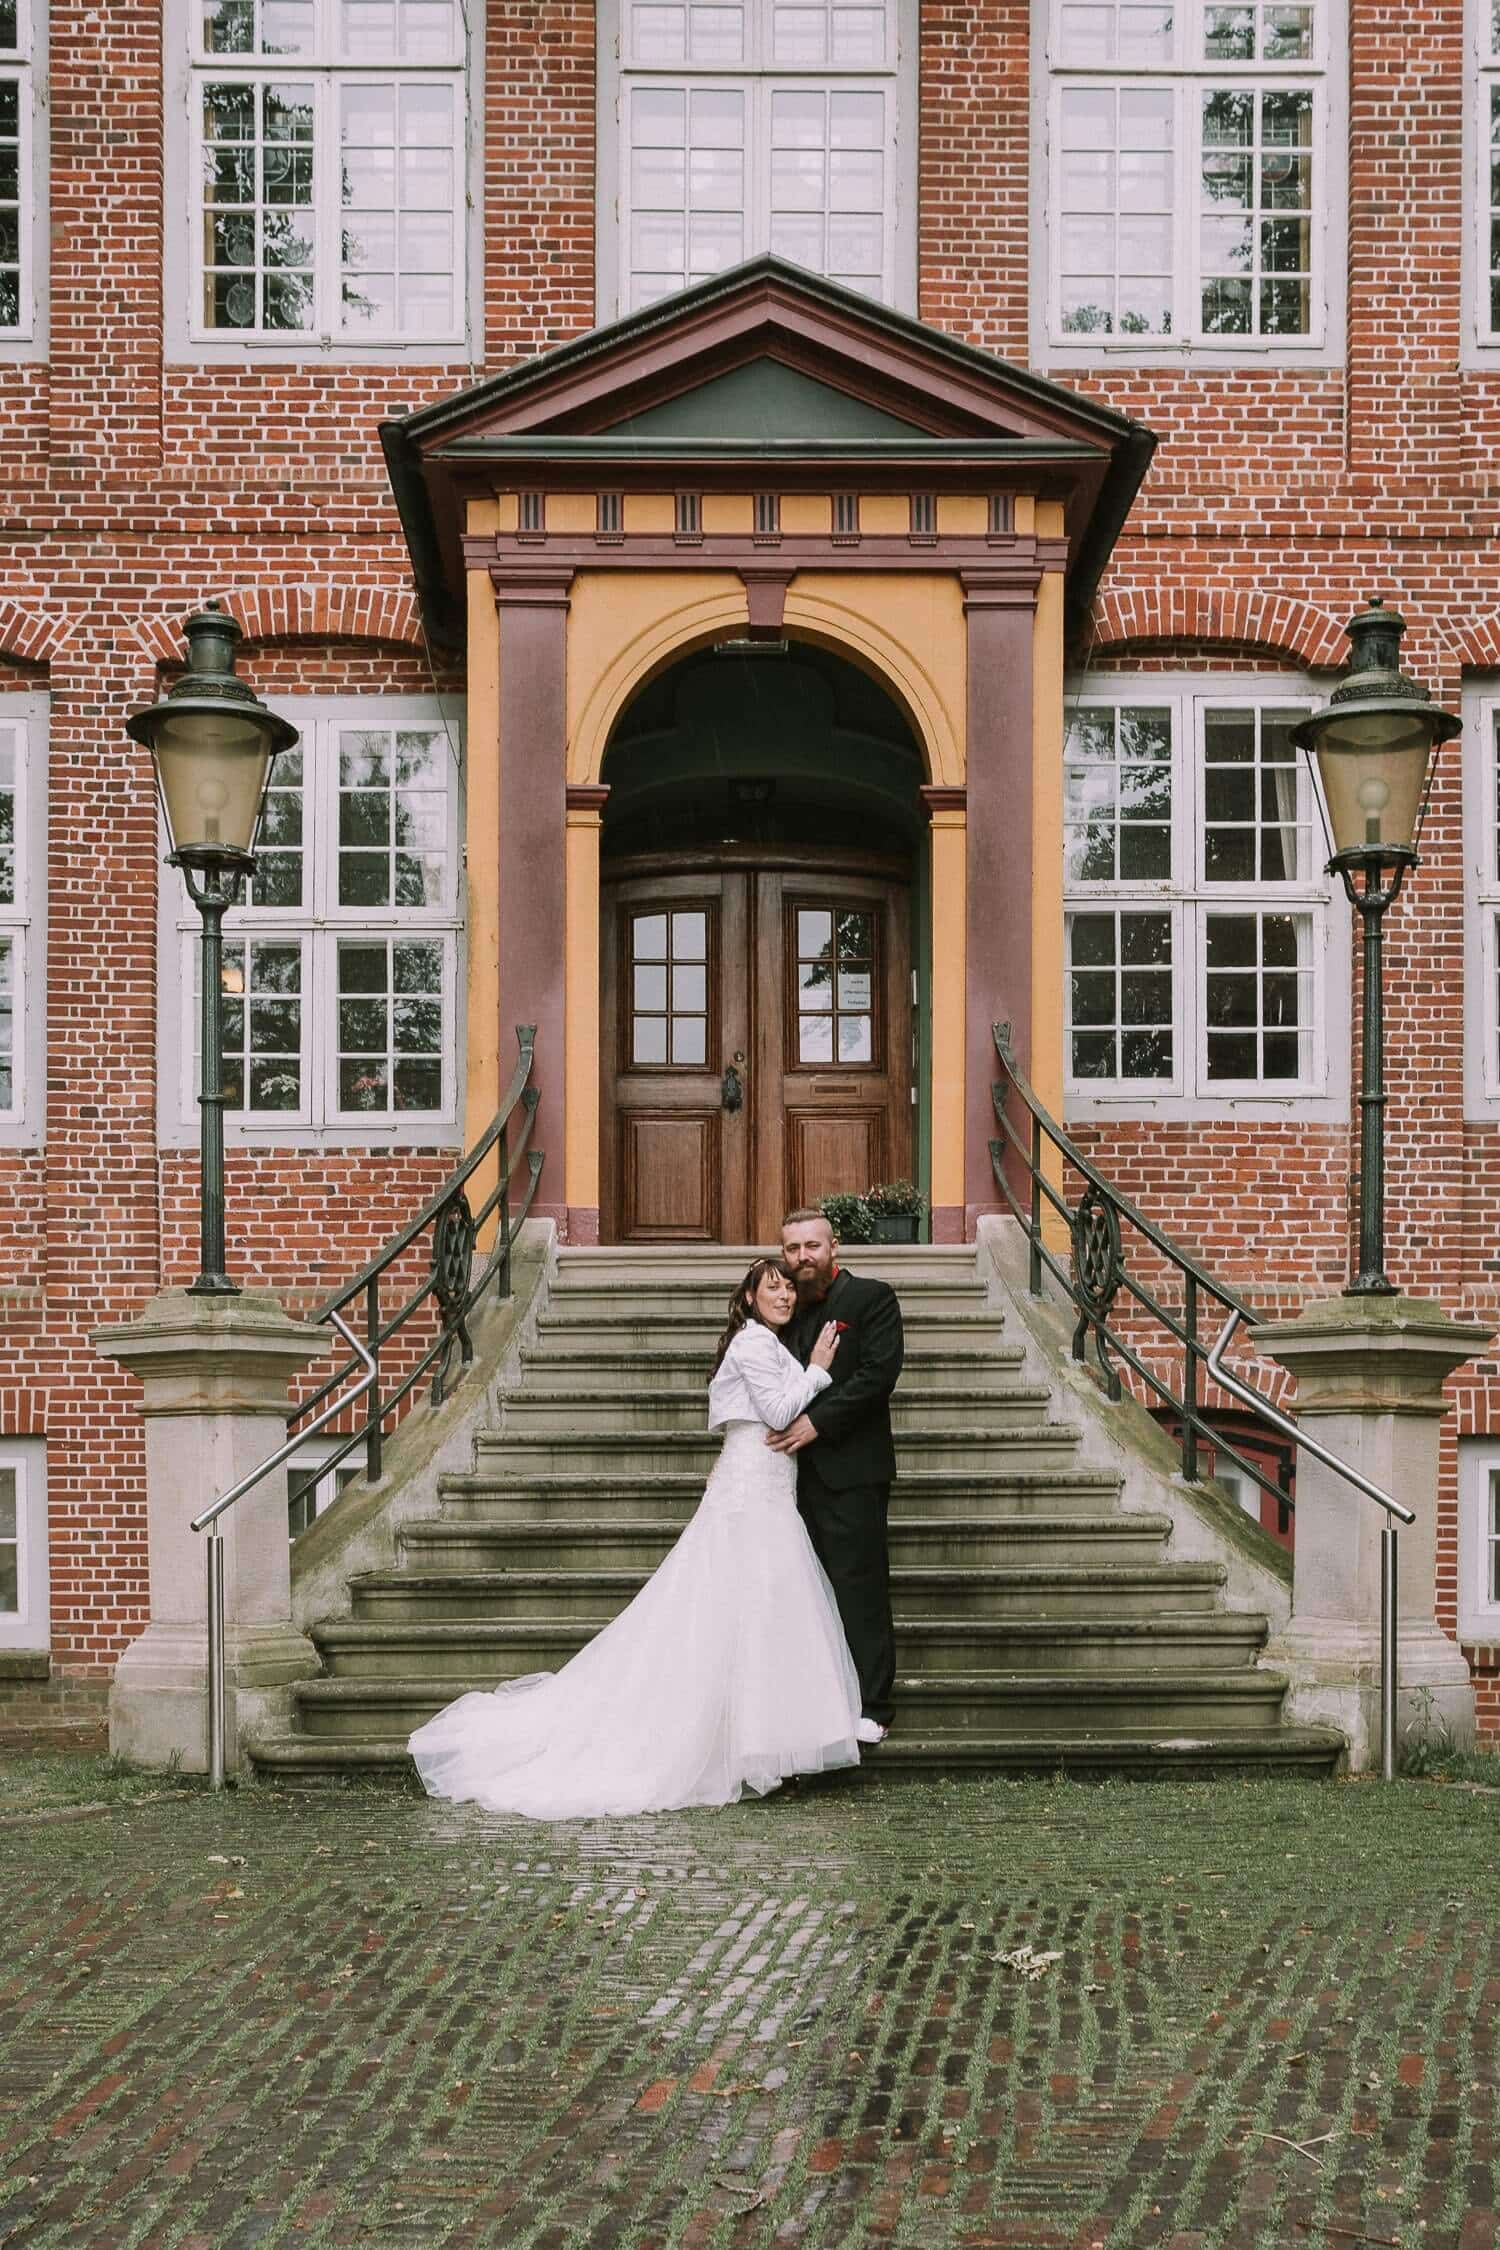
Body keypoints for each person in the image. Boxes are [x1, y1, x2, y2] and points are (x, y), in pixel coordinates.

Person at [407, 1256, 863, 1818]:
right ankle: (747, 1748)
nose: (785, 1296)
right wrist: (818, 1369)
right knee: (744, 1611)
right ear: (747, 1297)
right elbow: (775, 1411)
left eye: (789, 1288)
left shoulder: (765, 1344)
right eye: (772, 1287)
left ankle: (758, 1745)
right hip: (754, 1494)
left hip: (762, 1488)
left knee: (757, 1615)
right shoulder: (752, 1344)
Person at [771, 1209, 903, 1742]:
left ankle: (874, 1706)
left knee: (859, 1588)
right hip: (788, 1478)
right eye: (792, 1249)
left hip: (853, 1471)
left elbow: (878, 1375)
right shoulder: (781, 1309)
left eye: (812, 1246)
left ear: (834, 1248)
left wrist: (816, 1424)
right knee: (804, 1594)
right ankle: (819, 1703)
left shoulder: (872, 1298)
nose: (803, 1257)